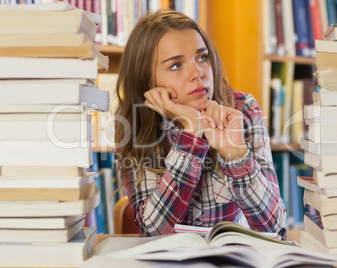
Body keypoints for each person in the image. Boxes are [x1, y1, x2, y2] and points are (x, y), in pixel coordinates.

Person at [114, 9, 286, 236]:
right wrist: (191, 133)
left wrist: (236, 154)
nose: (198, 73)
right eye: (176, 65)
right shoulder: (137, 120)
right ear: (148, 80)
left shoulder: (242, 109)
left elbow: (275, 227)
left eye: (202, 57)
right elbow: (153, 231)